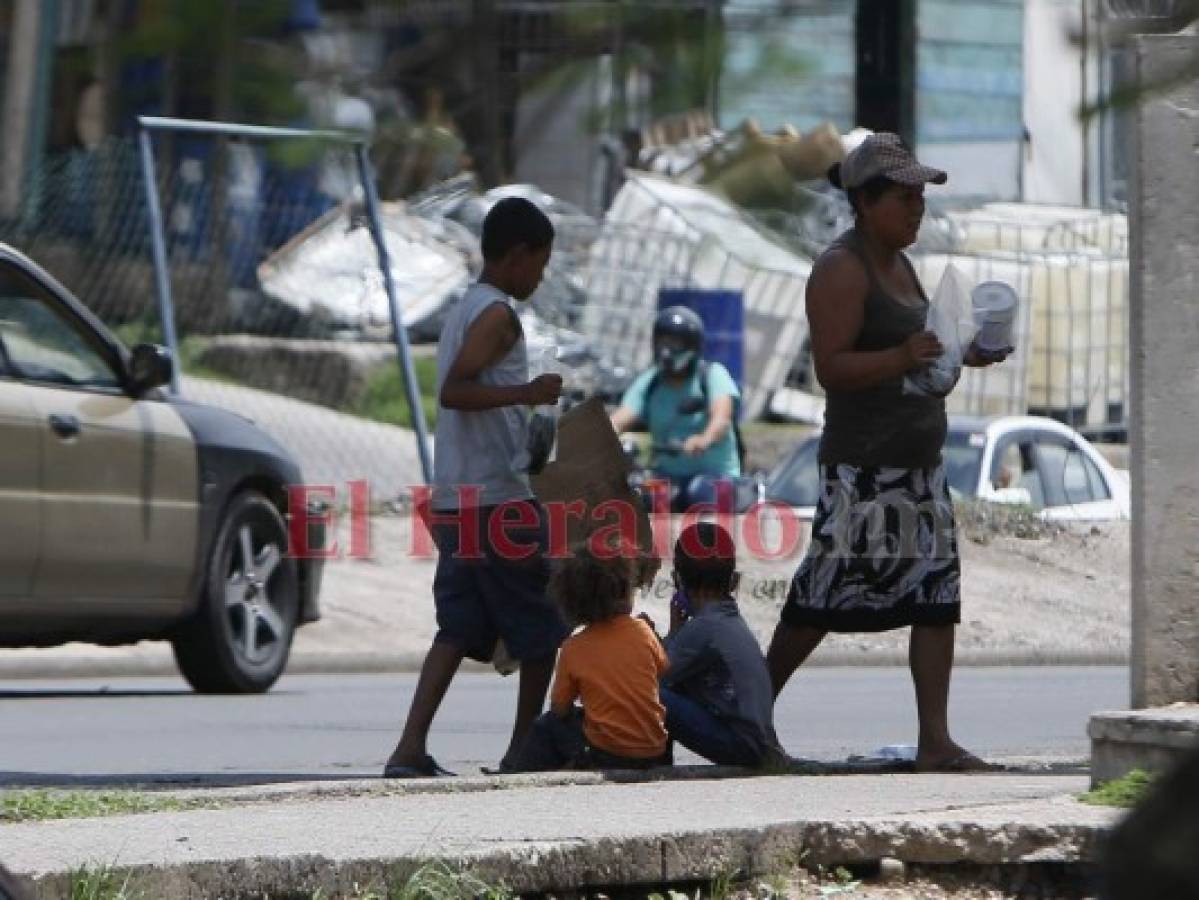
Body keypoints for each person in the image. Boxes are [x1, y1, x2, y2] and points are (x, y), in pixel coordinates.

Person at [763, 133, 1011, 773]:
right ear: (865, 202)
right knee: (818, 600)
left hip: (919, 467)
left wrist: (966, 354)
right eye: (903, 197)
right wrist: (901, 356)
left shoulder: (902, 265)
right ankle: (749, 722)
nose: (916, 208)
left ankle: (935, 740)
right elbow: (832, 368)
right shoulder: (842, 268)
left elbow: (924, 353)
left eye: (920, 196)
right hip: (865, 469)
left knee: (935, 598)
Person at [383, 197, 567, 778]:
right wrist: (528, 394)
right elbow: (457, 392)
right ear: (517, 256)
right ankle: (522, 752)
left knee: (459, 628)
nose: (540, 276)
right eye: (539, 263)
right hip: (496, 501)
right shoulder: (498, 317)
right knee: (544, 625)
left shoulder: (467, 307)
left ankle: (409, 747)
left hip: (457, 499)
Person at [510, 544, 671, 772]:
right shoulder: (643, 631)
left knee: (547, 726)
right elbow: (663, 670)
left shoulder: (573, 648)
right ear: (626, 589)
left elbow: (560, 709)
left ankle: (521, 773)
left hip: (606, 754)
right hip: (654, 751)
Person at [653, 523, 776, 768]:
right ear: (732, 581)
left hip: (742, 746)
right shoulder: (727, 618)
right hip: (756, 741)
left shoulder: (703, 628)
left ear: (679, 579)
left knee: (648, 695)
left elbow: (656, 676)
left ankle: (651, 763)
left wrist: (672, 633)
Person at [610, 306, 743, 512]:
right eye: (662, 343)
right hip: (666, 476)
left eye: (675, 344)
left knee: (701, 495)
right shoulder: (651, 382)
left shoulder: (712, 375)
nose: (666, 351)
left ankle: (708, 541)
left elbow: (721, 420)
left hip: (714, 476)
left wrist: (704, 439)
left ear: (692, 346)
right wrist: (601, 434)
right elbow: (622, 417)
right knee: (637, 498)